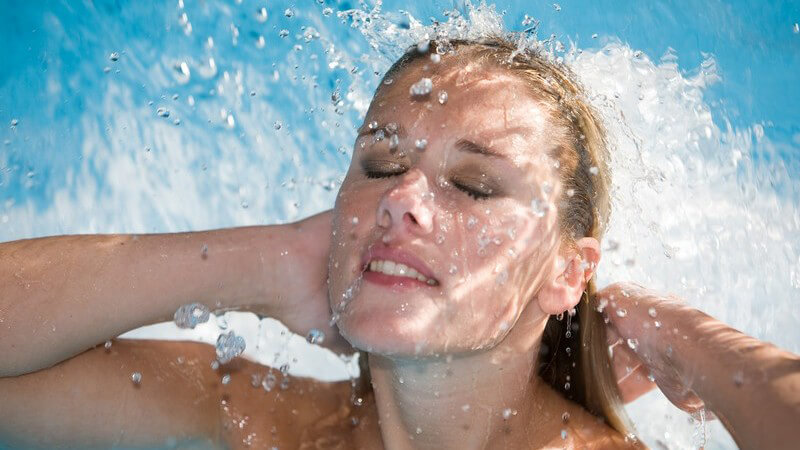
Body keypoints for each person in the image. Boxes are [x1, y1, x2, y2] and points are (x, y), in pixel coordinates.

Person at [0, 36, 797, 449]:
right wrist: (263, 263)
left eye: (474, 184)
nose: (403, 203)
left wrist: (693, 350)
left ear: (568, 272)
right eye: (381, 166)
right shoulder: (257, 421)